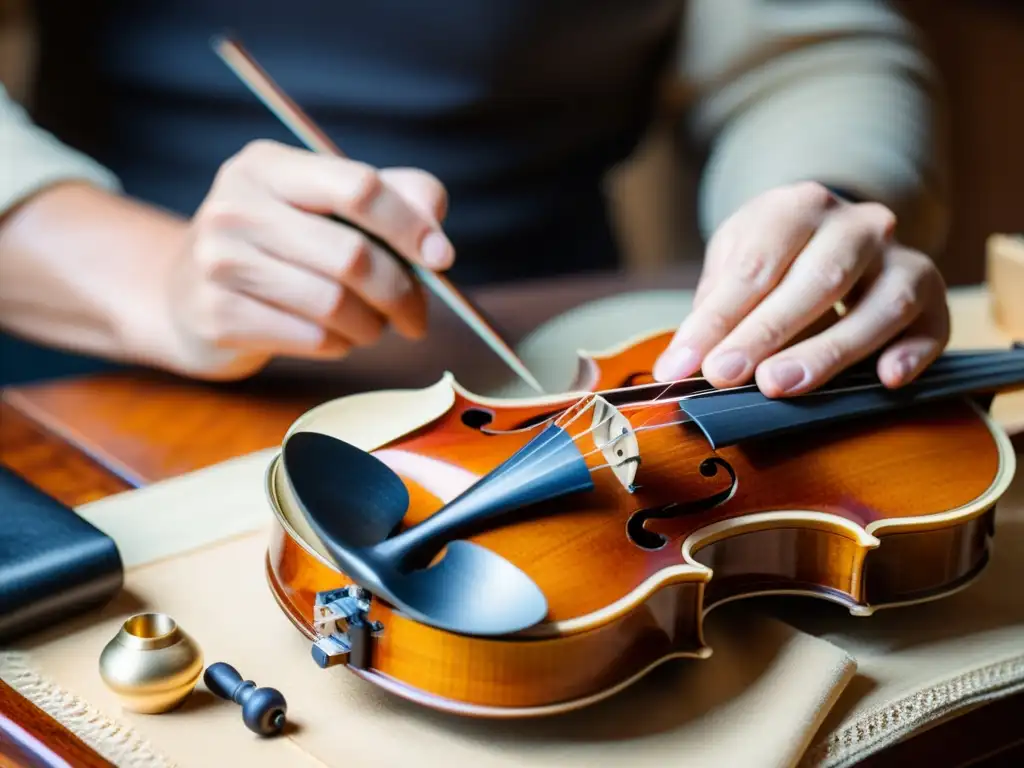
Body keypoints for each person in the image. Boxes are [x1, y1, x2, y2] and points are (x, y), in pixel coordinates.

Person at [0, 0, 950, 397]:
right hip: (104, 361)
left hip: (560, 361)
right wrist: (157, 281)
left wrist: (817, 210)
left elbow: (814, 49)